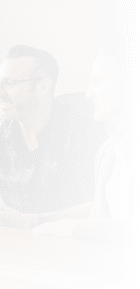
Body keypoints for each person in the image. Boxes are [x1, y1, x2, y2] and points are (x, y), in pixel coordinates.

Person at [0, 45, 107, 228]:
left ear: (43, 86)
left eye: (10, 83)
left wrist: (32, 220)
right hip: (14, 240)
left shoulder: (85, 130)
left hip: (70, 239)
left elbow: (101, 205)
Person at [33, 42, 136, 245]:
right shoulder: (109, 149)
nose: (88, 94)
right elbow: (99, 221)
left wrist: (72, 227)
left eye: (97, 81)